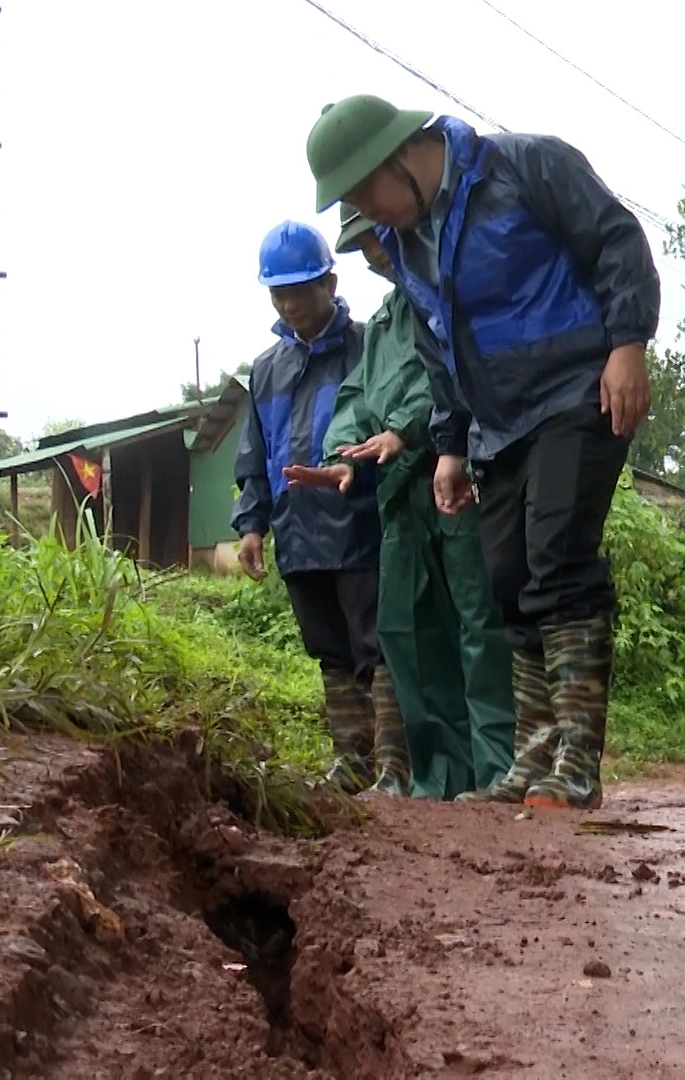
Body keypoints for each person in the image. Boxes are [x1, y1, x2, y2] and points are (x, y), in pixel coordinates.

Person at [303, 94, 659, 810]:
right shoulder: (409, 246)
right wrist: (451, 446)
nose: (368, 213)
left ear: (399, 156)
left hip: (575, 393)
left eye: (365, 192)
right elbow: (441, 349)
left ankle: (578, 762)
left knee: (558, 560)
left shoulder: (524, 166)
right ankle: (531, 759)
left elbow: (616, 240)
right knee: (508, 582)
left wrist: (627, 344)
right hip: (497, 427)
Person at [283, 206, 517, 801]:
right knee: (409, 631)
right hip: (397, 496)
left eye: (378, 240)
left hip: (454, 476)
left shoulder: (449, 293)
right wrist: (345, 455)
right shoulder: (387, 319)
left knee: (475, 623)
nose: (374, 255)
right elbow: (359, 394)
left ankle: (494, 771)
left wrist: (410, 431)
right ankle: (432, 775)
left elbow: (452, 379)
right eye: (362, 246)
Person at [231, 219, 405, 795]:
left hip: (359, 522)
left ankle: (391, 767)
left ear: (330, 283)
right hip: (297, 530)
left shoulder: (365, 347)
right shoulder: (265, 369)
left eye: (300, 289)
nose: (289, 302)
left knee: (373, 645)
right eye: (279, 292)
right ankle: (350, 761)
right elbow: (254, 452)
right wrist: (253, 524)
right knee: (328, 649)